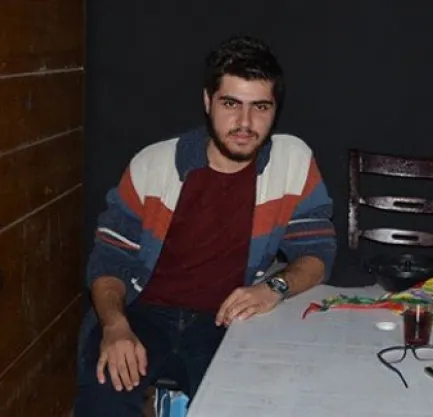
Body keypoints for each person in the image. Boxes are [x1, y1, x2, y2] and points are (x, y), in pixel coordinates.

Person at [74, 35, 337, 416]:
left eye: (260, 107)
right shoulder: (153, 164)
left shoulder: (292, 161)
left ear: (275, 110)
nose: (244, 123)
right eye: (231, 104)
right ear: (207, 101)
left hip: (227, 320)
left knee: (251, 405)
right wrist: (114, 327)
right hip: (143, 312)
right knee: (103, 403)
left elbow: (317, 252)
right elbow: (108, 261)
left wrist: (274, 288)